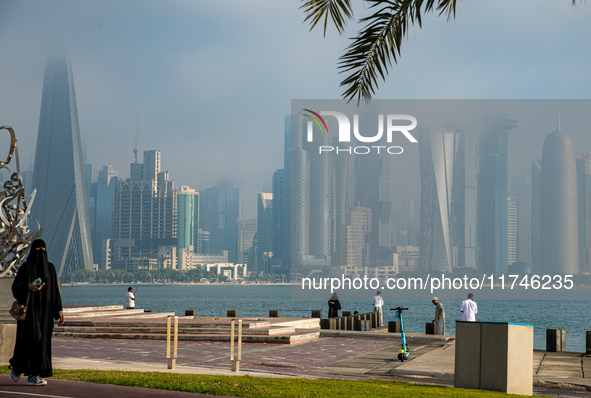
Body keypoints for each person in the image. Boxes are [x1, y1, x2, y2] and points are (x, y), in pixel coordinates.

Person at [9, 239, 64, 386]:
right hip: (30, 313)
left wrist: (59, 310)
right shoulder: (27, 268)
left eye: (43, 249)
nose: (40, 252)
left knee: (42, 343)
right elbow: (16, 288)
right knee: (34, 339)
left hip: (45, 314)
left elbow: (55, 291)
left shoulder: (50, 269)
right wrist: (29, 286)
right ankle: (17, 367)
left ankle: (34, 375)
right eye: (38, 249)